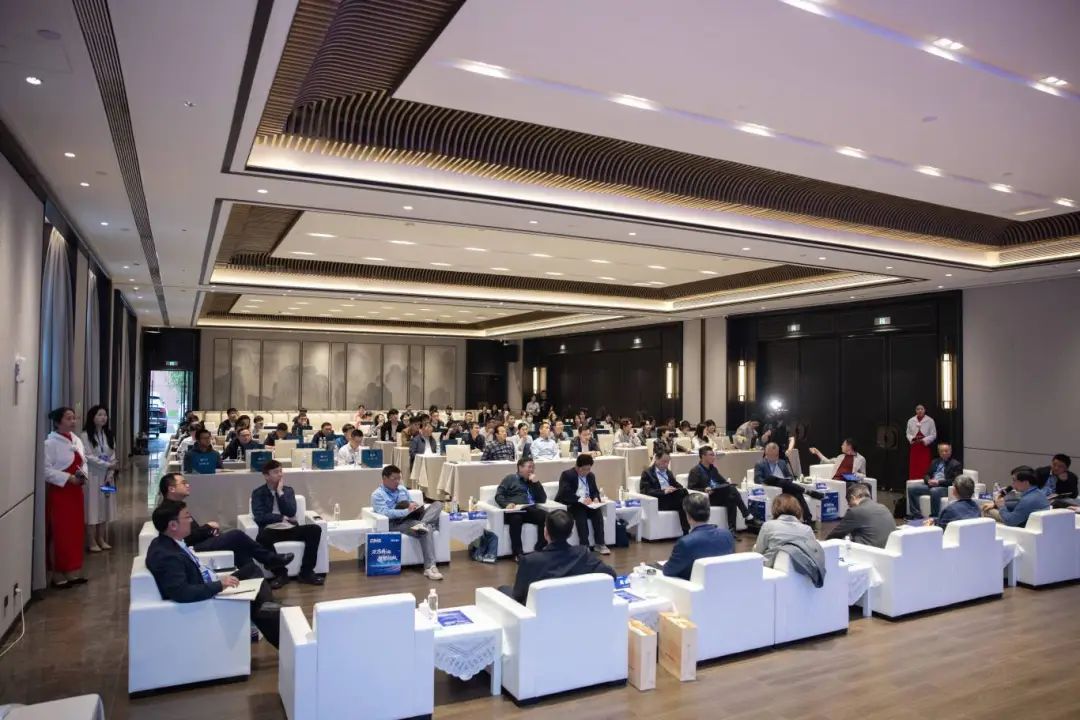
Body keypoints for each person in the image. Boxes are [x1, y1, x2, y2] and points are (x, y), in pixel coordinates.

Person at [145, 500, 281, 648]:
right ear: (173, 525)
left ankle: (266, 609)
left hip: (207, 581)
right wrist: (219, 585)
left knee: (252, 569)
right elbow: (182, 592)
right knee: (260, 601)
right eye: (187, 517)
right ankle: (269, 617)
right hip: (207, 596)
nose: (190, 521)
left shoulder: (169, 543)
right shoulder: (168, 557)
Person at [158, 473, 294, 586]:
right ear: (172, 489)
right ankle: (270, 560)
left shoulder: (177, 507)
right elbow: (185, 538)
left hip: (199, 541)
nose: (187, 485)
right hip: (191, 548)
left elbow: (190, 533)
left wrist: (208, 531)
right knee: (236, 535)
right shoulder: (169, 512)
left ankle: (258, 587)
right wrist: (207, 527)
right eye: (183, 483)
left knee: (241, 550)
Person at [503, 509, 616, 604]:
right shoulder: (583, 554)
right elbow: (611, 574)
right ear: (571, 533)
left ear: (546, 532)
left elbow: (518, 596)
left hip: (539, 613)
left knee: (503, 589)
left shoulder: (529, 561)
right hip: (574, 606)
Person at [251, 461, 325, 585]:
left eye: (281, 471)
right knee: (261, 538)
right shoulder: (258, 493)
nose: (280, 474)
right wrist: (280, 518)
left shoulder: (288, 491)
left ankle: (306, 573)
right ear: (266, 476)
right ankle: (281, 574)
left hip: (290, 528)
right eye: (276, 472)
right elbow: (259, 516)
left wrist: (280, 493)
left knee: (315, 529)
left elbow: (291, 512)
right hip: (271, 530)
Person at [371, 465, 444, 579]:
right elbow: (385, 512)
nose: (397, 481)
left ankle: (423, 522)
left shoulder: (402, 489)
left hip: (414, 518)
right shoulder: (377, 495)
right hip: (397, 523)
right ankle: (430, 567)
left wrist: (415, 506)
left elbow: (410, 502)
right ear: (384, 478)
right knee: (426, 529)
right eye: (394, 479)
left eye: (399, 478)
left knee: (438, 504)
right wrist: (406, 511)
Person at [44, 407, 88, 588]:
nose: (73, 422)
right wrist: (68, 478)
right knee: (60, 533)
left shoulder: (76, 440)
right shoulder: (50, 443)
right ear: (58, 422)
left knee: (74, 532)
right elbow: (45, 470)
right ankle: (56, 573)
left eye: (74, 418)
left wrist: (82, 475)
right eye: (68, 418)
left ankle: (71, 570)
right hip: (60, 493)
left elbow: (83, 462)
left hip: (75, 492)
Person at [662, 494, 735, 580]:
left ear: (688, 515)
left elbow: (668, 571)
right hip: (723, 581)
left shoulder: (685, 543)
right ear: (709, 513)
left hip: (690, 585)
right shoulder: (727, 535)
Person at [689, 447, 759, 533]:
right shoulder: (695, 471)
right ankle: (747, 516)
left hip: (717, 495)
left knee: (731, 498)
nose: (714, 457)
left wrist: (727, 484)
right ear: (703, 456)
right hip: (706, 498)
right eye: (711, 455)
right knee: (732, 492)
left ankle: (732, 531)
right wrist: (704, 490)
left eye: (714, 455)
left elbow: (722, 481)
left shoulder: (713, 469)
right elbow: (691, 488)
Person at [80, 404, 118, 552]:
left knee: (105, 507)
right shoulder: (85, 435)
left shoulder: (109, 434)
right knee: (92, 507)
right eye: (99, 415)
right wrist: (107, 465)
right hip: (93, 476)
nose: (103, 418)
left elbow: (113, 454)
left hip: (108, 477)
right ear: (92, 417)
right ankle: (91, 541)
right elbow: (88, 456)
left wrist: (110, 471)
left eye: (105, 415)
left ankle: (101, 538)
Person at [495, 458, 549, 560]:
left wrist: (536, 483)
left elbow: (542, 499)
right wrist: (506, 504)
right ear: (520, 467)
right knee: (516, 519)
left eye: (533, 467)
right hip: (514, 511)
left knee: (546, 516)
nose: (532, 470)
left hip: (529, 510)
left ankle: (540, 547)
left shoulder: (533, 482)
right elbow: (499, 495)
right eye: (529, 467)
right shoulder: (510, 478)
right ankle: (517, 554)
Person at [754, 442, 820, 526]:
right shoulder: (760, 464)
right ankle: (807, 491)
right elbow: (757, 480)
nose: (774, 458)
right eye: (771, 455)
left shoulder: (782, 462)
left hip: (786, 487)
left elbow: (789, 476)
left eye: (776, 455)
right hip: (773, 486)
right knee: (773, 479)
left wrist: (786, 480)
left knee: (797, 493)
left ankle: (808, 519)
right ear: (766, 454)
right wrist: (768, 483)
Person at [556, 454, 610, 554]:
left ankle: (600, 544)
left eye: (589, 469)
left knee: (597, 513)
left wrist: (595, 498)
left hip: (589, 504)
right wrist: (581, 499)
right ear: (577, 467)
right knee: (580, 513)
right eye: (584, 469)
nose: (587, 472)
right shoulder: (567, 475)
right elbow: (565, 493)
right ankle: (584, 546)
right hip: (573, 504)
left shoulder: (590, 476)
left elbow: (595, 491)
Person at [753, 494, 819, 567]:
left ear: (775, 508)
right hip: (800, 569)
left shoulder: (768, 526)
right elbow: (814, 554)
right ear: (798, 509)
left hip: (771, 568)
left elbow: (758, 552)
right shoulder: (807, 530)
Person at [825, 483, 896, 548]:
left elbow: (835, 535)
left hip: (867, 553)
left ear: (853, 498)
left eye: (849, 504)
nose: (849, 507)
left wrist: (824, 545)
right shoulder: (883, 507)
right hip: (887, 551)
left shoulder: (855, 511)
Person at [638, 450, 691, 535]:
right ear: (656, 459)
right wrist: (664, 491)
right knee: (684, 502)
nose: (666, 464)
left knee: (683, 493)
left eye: (668, 462)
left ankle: (686, 531)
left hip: (671, 498)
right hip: (659, 500)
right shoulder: (647, 473)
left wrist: (675, 488)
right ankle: (687, 531)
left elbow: (676, 484)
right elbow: (645, 491)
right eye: (664, 461)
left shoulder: (668, 472)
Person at [907, 443, 963, 519]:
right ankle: (916, 515)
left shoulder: (956, 464)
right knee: (912, 489)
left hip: (945, 488)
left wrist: (938, 482)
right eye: (942, 451)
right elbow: (927, 474)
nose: (944, 453)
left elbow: (955, 480)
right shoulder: (935, 462)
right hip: (931, 485)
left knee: (934, 491)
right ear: (939, 452)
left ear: (950, 451)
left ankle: (934, 516)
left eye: (946, 451)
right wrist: (928, 480)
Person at [982, 466, 1050, 527]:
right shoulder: (1038, 493)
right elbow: (1017, 504)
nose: (1012, 484)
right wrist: (995, 505)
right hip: (1033, 525)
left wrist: (1002, 507)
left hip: (1019, 528)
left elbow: (1010, 521)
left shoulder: (1027, 500)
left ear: (1026, 482)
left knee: (986, 510)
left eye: (1014, 480)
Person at [906, 404, 937, 481]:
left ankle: (925, 482)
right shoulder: (911, 420)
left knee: (924, 465)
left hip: (924, 447)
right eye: (918, 409)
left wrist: (924, 440)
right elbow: (908, 433)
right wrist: (913, 439)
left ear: (924, 410)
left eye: (921, 409)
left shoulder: (930, 420)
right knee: (914, 465)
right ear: (915, 411)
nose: (920, 411)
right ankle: (913, 482)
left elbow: (933, 434)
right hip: (915, 446)